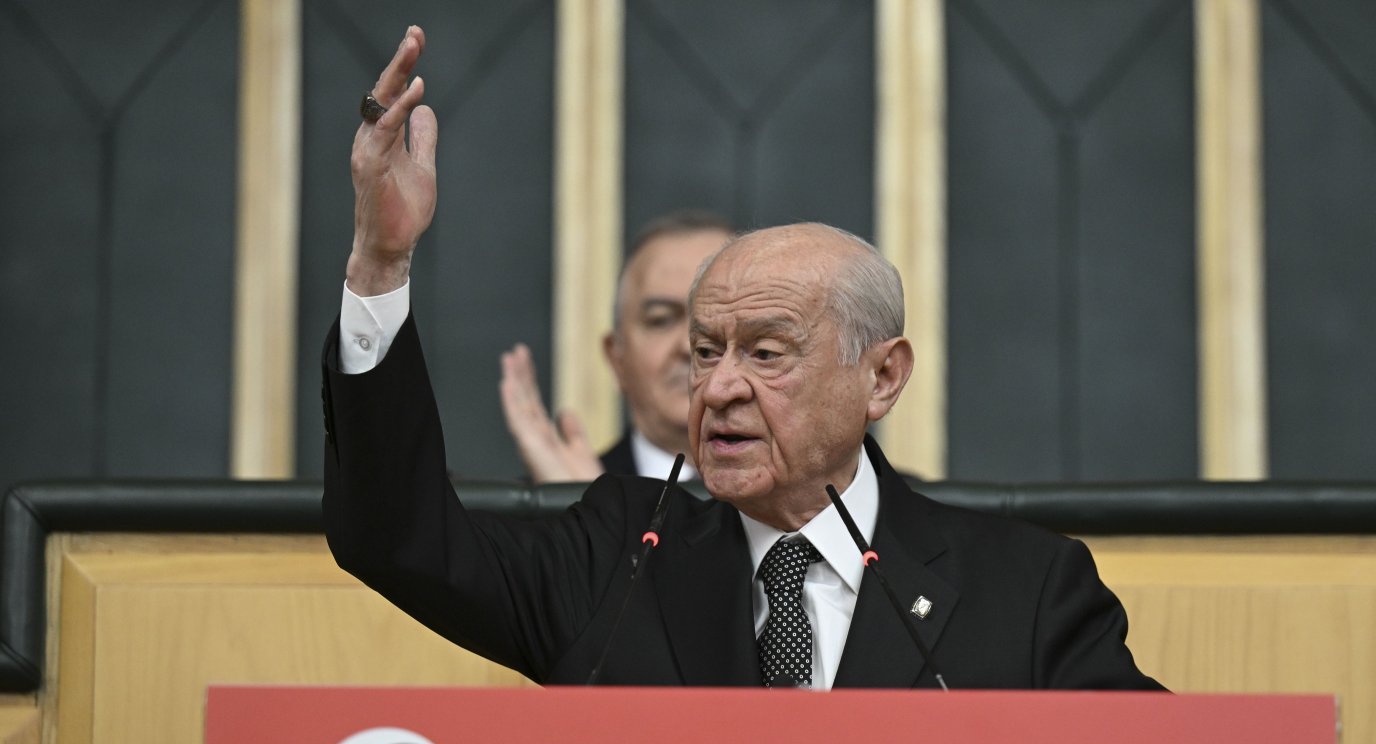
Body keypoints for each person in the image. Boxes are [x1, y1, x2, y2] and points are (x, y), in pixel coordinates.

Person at [323, 26, 1162, 691]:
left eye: (767, 353)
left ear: (882, 376)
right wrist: (381, 263)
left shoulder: (1026, 591)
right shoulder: (618, 558)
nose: (719, 387)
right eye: (703, 351)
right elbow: (395, 538)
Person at [496, 211, 733, 482]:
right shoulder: (558, 497)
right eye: (661, 320)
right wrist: (581, 511)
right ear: (616, 359)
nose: (687, 346)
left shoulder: (792, 503)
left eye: (713, 319)